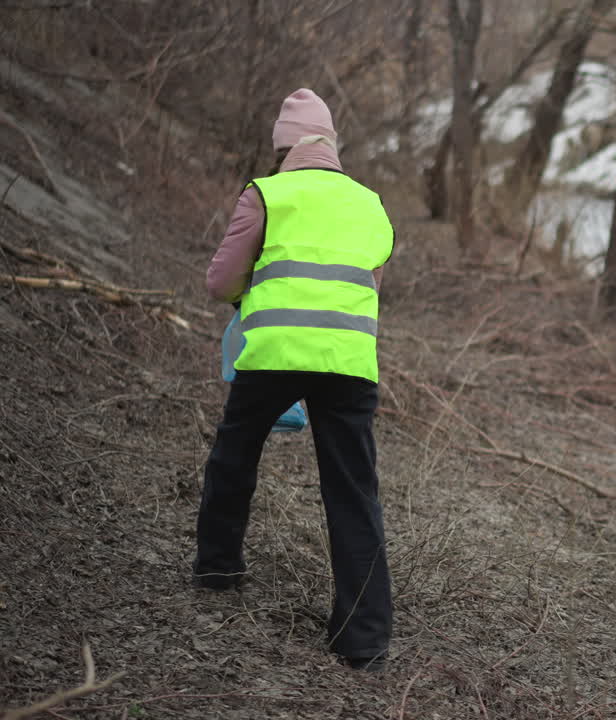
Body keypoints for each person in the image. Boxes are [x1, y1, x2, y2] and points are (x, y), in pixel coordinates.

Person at [195, 88, 395, 672]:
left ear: (283, 145)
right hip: (347, 360)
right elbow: (370, 284)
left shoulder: (267, 193)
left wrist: (252, 293)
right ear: (332, 145)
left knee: (235, 454)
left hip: (275, 352)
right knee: (353, 488)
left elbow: (220, 282)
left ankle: (218, 568)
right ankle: (364, 639)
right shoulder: (371, 205)